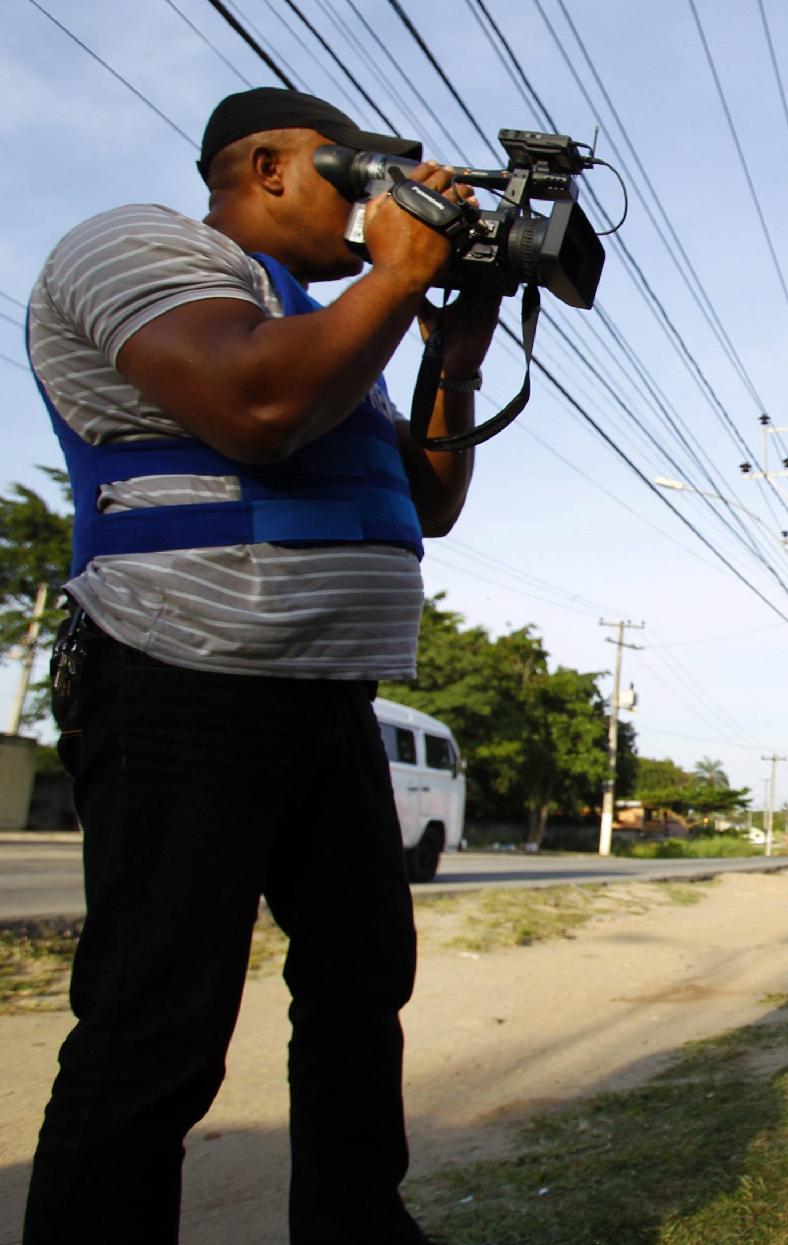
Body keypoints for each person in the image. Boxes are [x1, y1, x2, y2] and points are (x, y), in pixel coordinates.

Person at [22, 88, 501, 1243]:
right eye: (361, 183)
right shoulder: (137, 246)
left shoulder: (325, 325)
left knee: (359, 988)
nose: (376, 215)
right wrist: (394, 281)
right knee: (158, 1025)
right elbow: (257, 404)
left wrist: (454, 353)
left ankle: (356, 1225)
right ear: (275, 165)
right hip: (180, 677)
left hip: (325, 698)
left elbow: (428, 499)